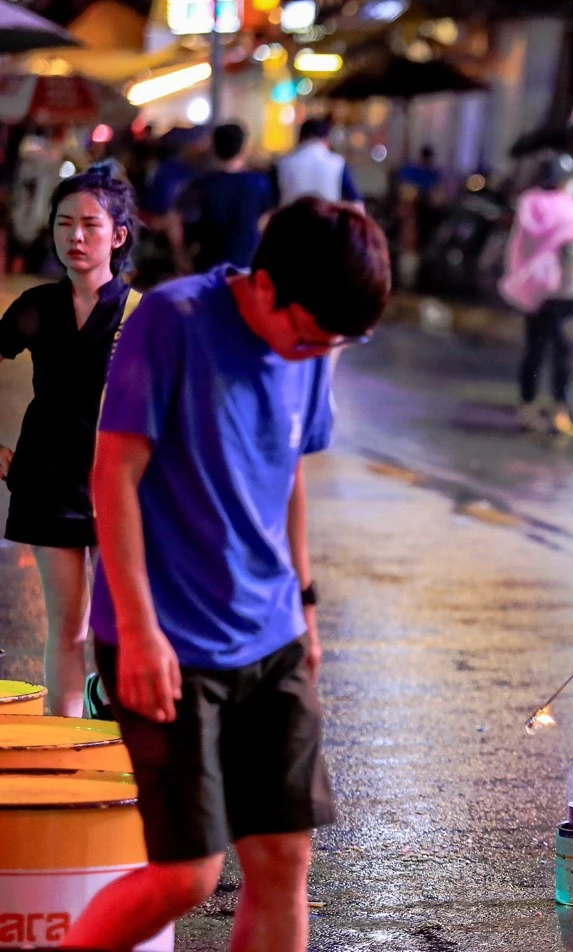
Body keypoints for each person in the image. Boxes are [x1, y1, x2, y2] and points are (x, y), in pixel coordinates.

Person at [62, 198, 391, 952]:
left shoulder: (316, 342)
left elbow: (289, 478)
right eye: (308, 338)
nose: (312, 356)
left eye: (336, 343)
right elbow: (113, 473)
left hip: (270, 634)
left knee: (284, 856)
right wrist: (138, 634)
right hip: (167, 642)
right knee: (188, 875)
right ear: (267, 287)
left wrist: (305, 607)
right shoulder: (173, 320)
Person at [0, 165, 138, 717]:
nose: (75, 237)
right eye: (64, 224)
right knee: (66, 628)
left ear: (118, 235)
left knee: (117, 627)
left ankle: (111, 725)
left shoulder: (140, 314)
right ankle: (66, 747)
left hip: (119, 487)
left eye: (89, 225)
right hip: (46, 479)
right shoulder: (37, 306)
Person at [500, 153, 573, 436]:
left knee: (534, 350)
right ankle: (559, 409)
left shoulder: (530, 204)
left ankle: (527, 406)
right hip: (564, 290)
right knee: (563, 351)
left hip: (533, 288)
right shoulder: (572, 209)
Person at [175, 122, 275, 274]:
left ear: (214, 148)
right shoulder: (259, 183)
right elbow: (265, 222)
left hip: (209, 268)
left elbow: (177, 220)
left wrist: (181, 257)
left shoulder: (201, 185)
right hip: (246, 265)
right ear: (244, 148)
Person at [272, 117, 363, 209]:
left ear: (300, 138)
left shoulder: (283, 163)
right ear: (327, 139)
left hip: (288, 221)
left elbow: (270, 201)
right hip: (328, 221)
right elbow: (356, 203)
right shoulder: (338, 163)